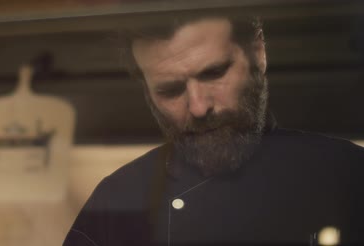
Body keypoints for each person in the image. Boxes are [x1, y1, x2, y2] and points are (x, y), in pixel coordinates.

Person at [63, 15, 364, 246]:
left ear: (258, 54)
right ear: (146, 92)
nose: (197, 107)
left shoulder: (349, 175)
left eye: (214, 73)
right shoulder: (116, 201)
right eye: (170, 90)